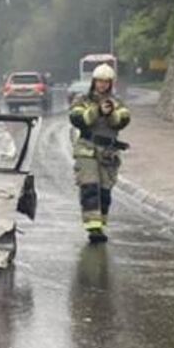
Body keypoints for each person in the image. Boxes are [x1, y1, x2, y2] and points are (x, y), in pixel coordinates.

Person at [68, 62, 130, 242]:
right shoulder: (82, 100)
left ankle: (101, 224)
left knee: (104, 191)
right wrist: (97, 110)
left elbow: (123, 120)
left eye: (106, 82)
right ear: (94, 82)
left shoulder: (117, 102)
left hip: (108, 152)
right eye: (99, 81)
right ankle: (93, 228)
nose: (102, 85)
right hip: (86, 149)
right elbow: (78, 119)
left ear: (111, 83)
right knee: (89, 187)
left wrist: (110, 113)